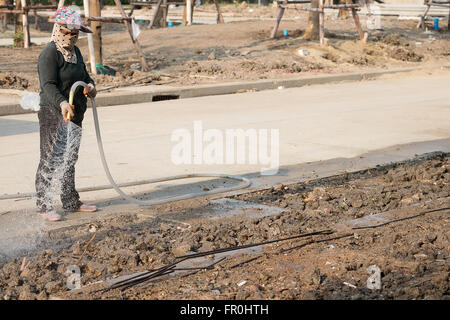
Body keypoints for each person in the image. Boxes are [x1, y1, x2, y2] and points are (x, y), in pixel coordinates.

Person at [36, 7, 97, 221]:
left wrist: (90, 86)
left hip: (76, 113)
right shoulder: (50, 53)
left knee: (70, 158)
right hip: (53, 112)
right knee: (51, 158)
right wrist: (62, 102)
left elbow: (85, 76)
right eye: (66, 32)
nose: (70, 36)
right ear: (58, 29)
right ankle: (43, 205)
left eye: (74, 33)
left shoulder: (76, 52)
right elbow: (48, 85)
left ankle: (71, 201)